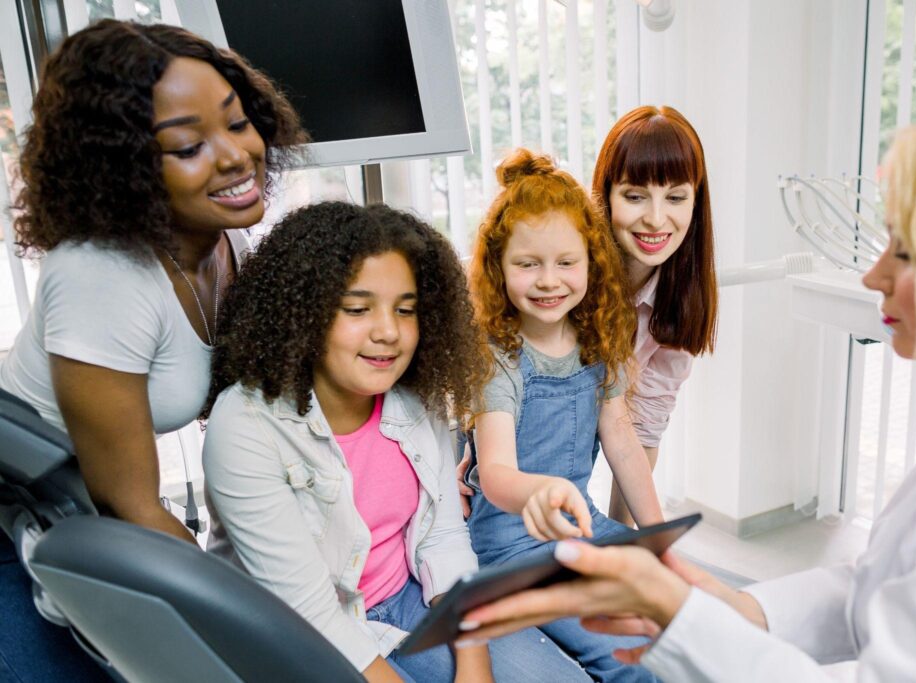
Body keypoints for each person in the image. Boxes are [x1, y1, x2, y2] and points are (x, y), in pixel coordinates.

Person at [455, 97, 916, 681]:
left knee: (640, 653)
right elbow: (875, 588)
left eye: (903, 251)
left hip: (573, 521)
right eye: (635, 195)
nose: (872, 275)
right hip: (511, 528)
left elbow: (631, 432)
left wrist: (659, 560)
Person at [0, 19, 305, 679]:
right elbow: (130, 505)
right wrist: (266, 614)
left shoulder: (224, 242)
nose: (234, 155)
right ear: (121, 167)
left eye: (237, 120)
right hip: (17, 518)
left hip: (76, 513)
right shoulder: (100, 274)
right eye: (189, 145)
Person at [201, 201, 590, 683]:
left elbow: (445, 538)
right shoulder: (246, 423)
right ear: (302, 312)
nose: (388, 332)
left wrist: (473, 663)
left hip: (406, 600)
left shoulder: (415, 400)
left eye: (405, 310)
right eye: (358, 309)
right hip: (291, 634)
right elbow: (308, 611)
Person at [464, 148, 664, 681]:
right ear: (498, 268)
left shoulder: (599, 339)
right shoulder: (499, 357)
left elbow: (621, 436)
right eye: (528, 264)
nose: (549, 280)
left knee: (683, 619)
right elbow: (497, 473)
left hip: (582, 528)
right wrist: (541, 495)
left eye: (566, 263)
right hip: (511, 548)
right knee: (632, 651)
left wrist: (658, 537)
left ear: (591, 262)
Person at [591, 106, 718, 526]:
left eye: (676, 197)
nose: (657, 219)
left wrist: (626, 539)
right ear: (606, 195)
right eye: (635, 195)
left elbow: (641, 428)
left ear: (696, 204)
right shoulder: (566, 277)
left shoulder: (681, 295)